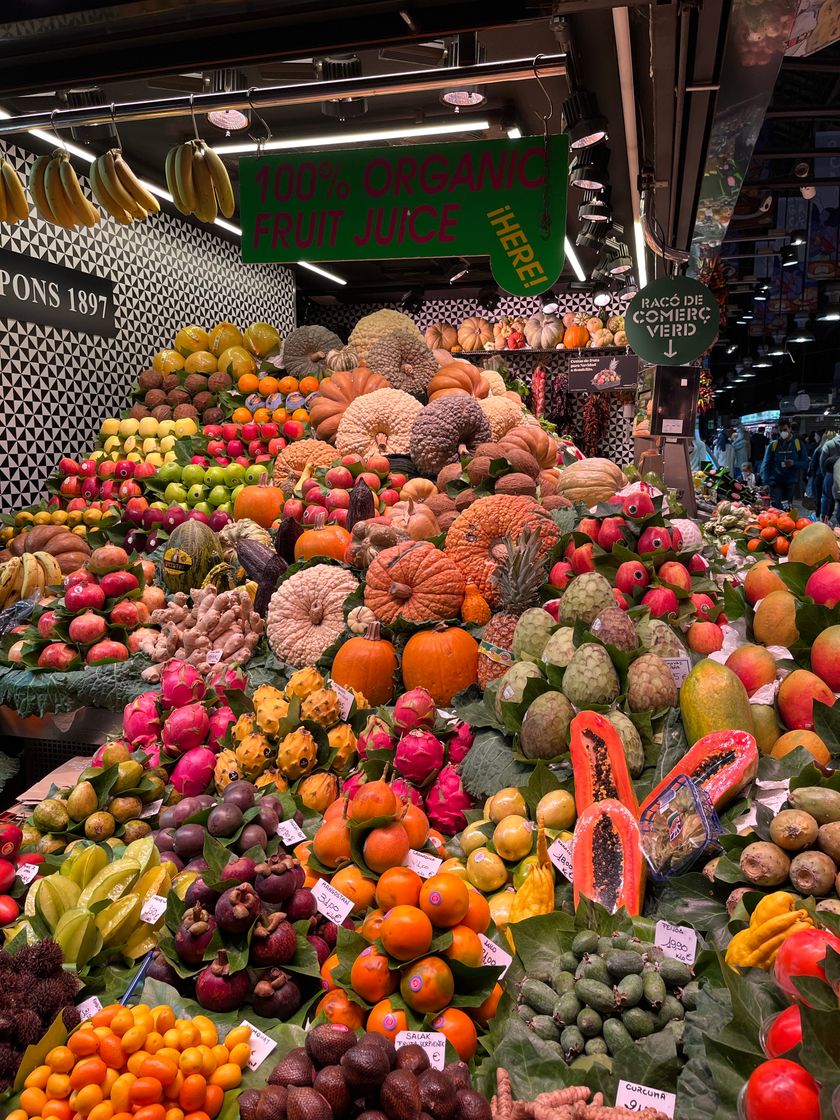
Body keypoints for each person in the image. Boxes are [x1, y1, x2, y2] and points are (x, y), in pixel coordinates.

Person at [761, 422, 809, 507]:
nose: (783, 432)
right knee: (776, 506)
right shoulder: (773, 445)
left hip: (791, 482)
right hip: (775, 481)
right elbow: (766, 464)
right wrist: (765, 482)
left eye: (785, 430)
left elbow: (805, 463)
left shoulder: (798, 444)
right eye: (781, 430)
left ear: (790, 429)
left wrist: (794, 463)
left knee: (786, 507)